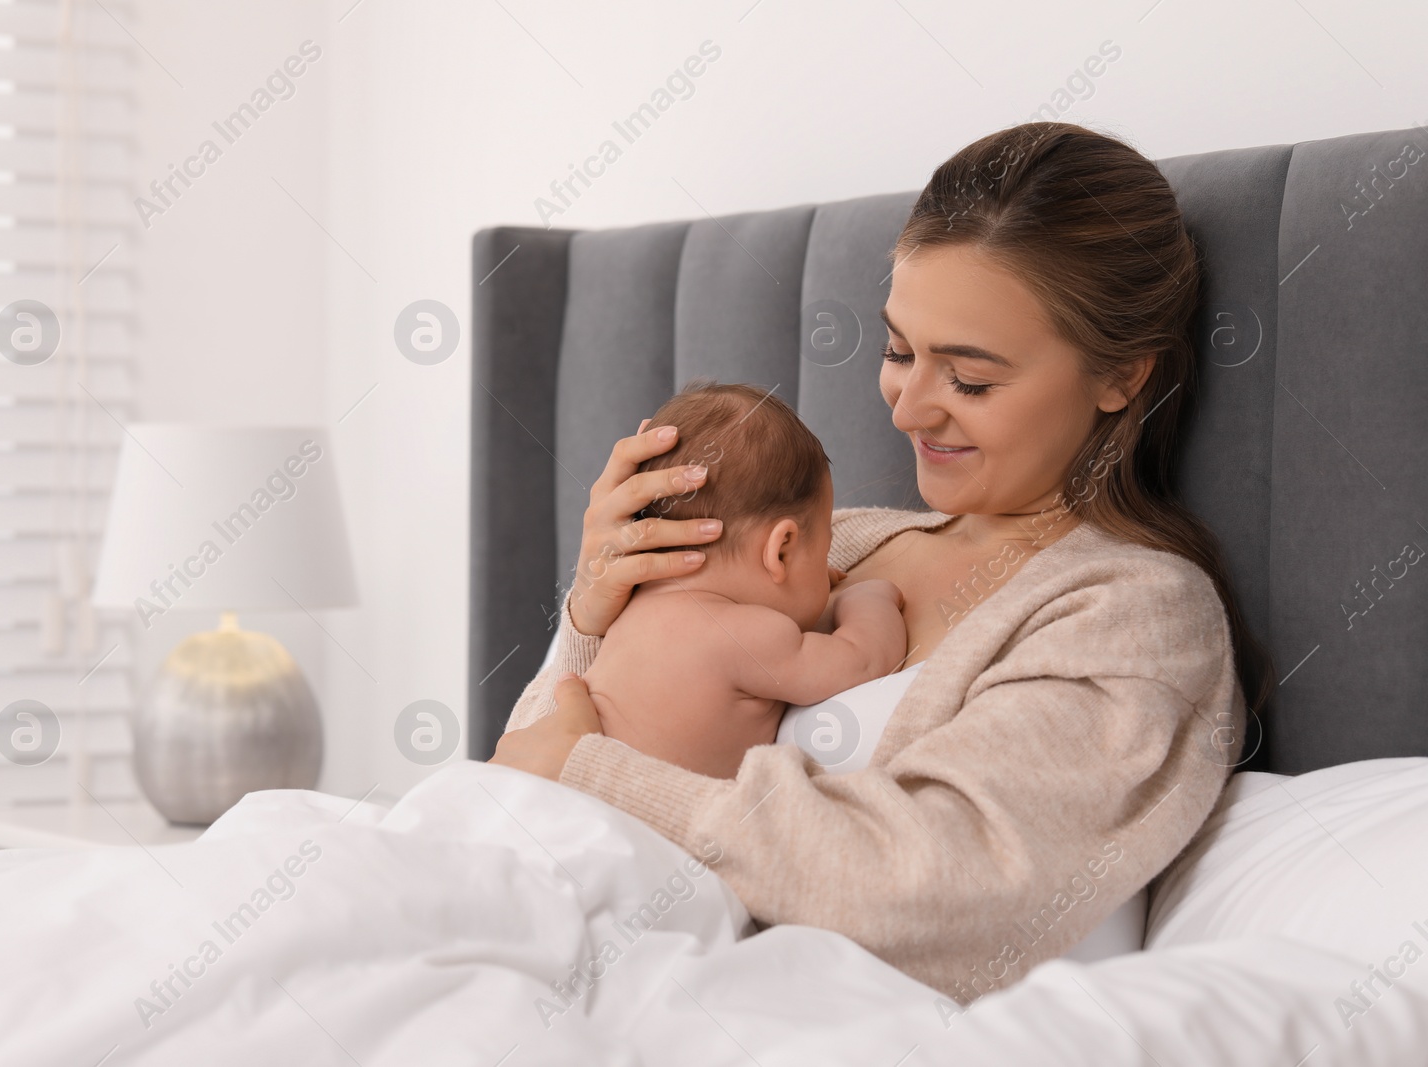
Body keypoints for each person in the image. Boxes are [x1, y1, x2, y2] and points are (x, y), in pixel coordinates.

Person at [491, 120, 1272, 1005]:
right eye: (900, 352)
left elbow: (926, 885)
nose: (908, 409)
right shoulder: (829, 538)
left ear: (1122, 375)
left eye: (970, 381)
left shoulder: (1134, 615)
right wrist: (591, 613)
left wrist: (597, 770)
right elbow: (522, 779)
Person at [579, 378, 908, 779]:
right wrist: (868, 598)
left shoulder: (627, 607)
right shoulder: (750, 634)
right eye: (823, 550)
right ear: (781, 550)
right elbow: (864, 662)